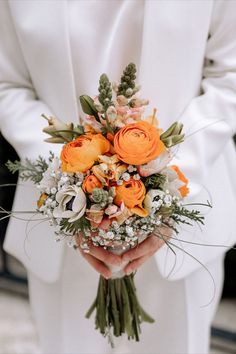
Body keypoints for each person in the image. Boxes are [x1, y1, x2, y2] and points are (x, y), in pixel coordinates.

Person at [1, 1, 236, 353]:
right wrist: (72, 180)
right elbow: (9, 84)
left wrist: (160, 184)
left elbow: (228, 76)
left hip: (184, 228)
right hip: (60, 231)